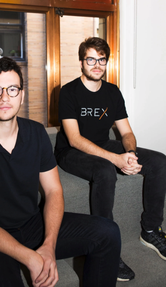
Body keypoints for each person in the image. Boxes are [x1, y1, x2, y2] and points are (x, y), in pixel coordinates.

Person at [0, 56, 121, 287]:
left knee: (107, 232)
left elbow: (53, 191)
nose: (5, 97)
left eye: (12, 89)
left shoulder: (37, 133)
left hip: (31, 225)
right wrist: (30, 257)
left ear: (22, 94)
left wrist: (48, 246)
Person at [54, 36, 166, 282]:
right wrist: (115, 160)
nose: (96, 65)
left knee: (159, 161)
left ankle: (150, 230)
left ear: (106, 62)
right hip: (71, 152)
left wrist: (131, 155)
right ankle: (106, 247)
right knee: (105, 169)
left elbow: (126, 133)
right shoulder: (69, 91)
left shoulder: (112, 92)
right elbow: (73, 138)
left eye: (101, 59)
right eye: (91, 59)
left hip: (103, 143)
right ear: (82, 62)